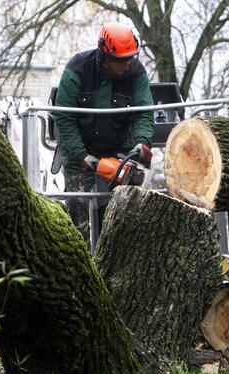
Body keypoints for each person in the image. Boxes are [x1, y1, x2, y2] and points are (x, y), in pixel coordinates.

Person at [53, 21, 155, 238]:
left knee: (122, 218)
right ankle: (79, 263)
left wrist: (142, 142)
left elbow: (143, 113)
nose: (128, 64)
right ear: (104, 54)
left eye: (131, 58)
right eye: (121, 61)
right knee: (77, 213)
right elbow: (64, 116)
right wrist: (81, 154)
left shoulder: (136, 72)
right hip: (80, 149)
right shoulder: (78, 69)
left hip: (121, 150)